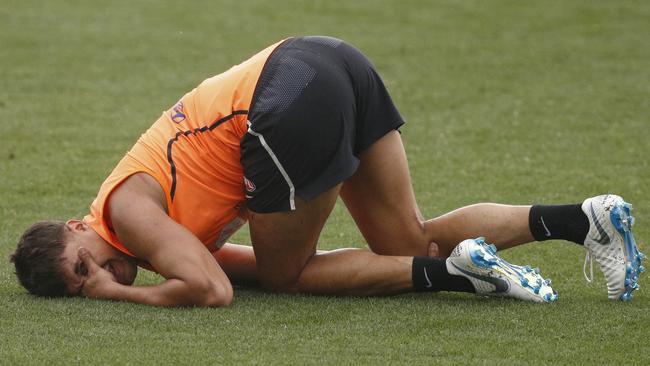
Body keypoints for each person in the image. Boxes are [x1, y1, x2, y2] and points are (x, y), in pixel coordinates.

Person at [10, 36, 644, 306]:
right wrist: (162, 276)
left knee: (291, 278)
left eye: (83, 265)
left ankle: (463, 277)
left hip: (281, 102)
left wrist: (123, 296)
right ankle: (585, 220)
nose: (102, 275)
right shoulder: (147, 238)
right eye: (85, 285)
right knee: (406, 243)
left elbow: (213, 291)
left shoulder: (123, 211)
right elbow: (237, 270)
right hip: (328, 59)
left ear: (77, 226)